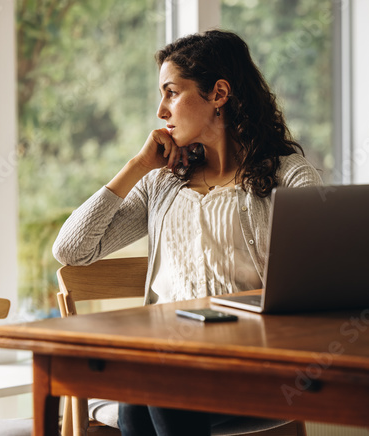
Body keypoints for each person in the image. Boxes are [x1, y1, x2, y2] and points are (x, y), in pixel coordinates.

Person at [51, 30, 323, 436]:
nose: (161, 110)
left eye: (172, 92)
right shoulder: (162, 183)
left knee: (149, 394)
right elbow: (71, 249)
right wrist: (137, 166)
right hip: (165, 363)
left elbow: (325, 269)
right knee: (148, 389)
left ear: (219, 94)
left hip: (254, 365)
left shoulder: (288, 176)